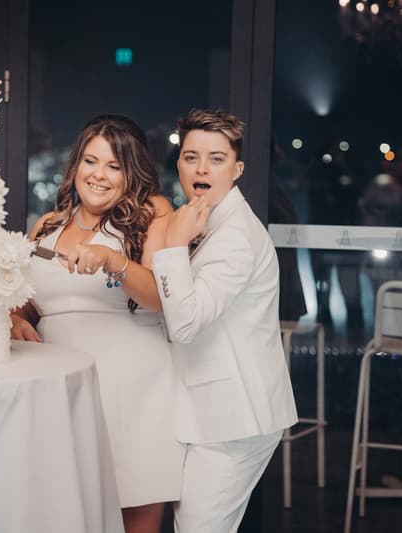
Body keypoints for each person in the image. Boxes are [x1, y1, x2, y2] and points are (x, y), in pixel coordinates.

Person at [11, 114, 182, 533]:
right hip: (57, 391)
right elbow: (32, 304)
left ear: (132, 172)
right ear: (75, 166)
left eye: (114, 165)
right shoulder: (46, 225)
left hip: (131, 387)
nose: (99, 175)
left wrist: (114, 260)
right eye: (91, 161)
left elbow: (162, 298)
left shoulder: (152, 212)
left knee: (133, 512)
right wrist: (15, 317)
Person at [150, 109, 298, 532]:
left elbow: (185, 324)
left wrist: (173, 245)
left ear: (236, 169)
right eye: (191, 156)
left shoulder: (234, 236)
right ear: (178, 164)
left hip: (234, 417)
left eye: (216, 159)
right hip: (220, 411)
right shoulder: (211, 219)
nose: (201, 167)